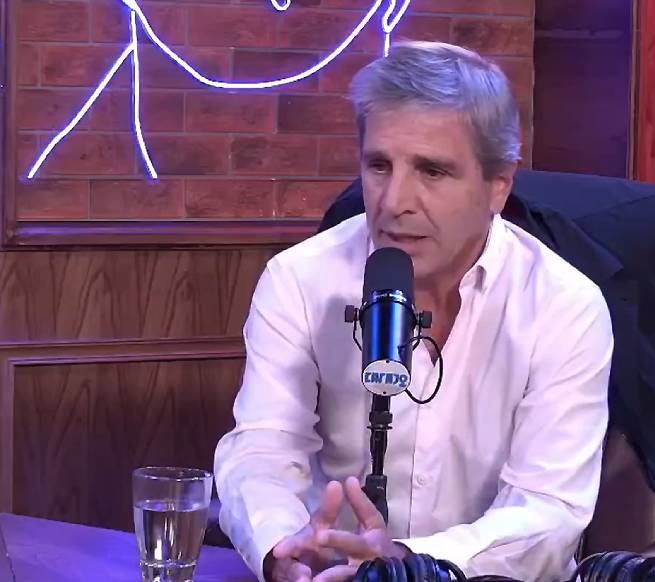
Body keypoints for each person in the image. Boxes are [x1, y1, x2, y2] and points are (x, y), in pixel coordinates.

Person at [214, 41, 613, 582]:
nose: (393, 200)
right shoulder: (299, 281)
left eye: (432, 171)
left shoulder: (565, 307)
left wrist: (404, 566)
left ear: (498, 185)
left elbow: (547, 513)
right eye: (379, 165)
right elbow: (262, 450)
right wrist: (284, 547)